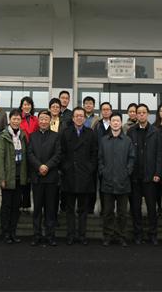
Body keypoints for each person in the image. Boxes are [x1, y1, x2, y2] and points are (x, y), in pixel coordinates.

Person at [60, 106, 98, 245]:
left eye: (81, 116)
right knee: (70, 209)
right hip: (69, 174)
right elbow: (61, 153)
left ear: (84, 118)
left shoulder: (90, 133)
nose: (79, 118)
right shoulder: (65, 133)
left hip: (84, 175)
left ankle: (82, 235)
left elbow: (94, 153)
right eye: (77, 116)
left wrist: (90, 168)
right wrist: (65, 167)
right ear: (73, 117)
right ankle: (70, 235)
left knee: (83, 209)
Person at [127, 103, 162, 245]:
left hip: (150, 176)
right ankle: (138, 234)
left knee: (151, 208)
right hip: (135, 176)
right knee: (135, 208)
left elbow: (159, 154)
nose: (141, 114)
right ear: (136, 115)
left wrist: (158, 172)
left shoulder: (156, 131)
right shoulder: (131, 131)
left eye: (144, 112)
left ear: (148, 114)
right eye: (139, 112)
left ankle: (152, 234)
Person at [99, 113, 135, 247]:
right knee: (108, 212)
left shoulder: (127, 140)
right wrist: (103, 171)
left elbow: (132, 158)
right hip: (107, 182)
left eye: (117, 121)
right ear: (110, 122)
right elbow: (100, 158)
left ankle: (121, 236)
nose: (115, 123)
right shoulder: (104, 140)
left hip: (123, 182)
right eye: (113, 120)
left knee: (122, 213)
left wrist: (127, 172)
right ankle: (107, 236)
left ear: (121, 123)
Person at [27, 110, 61, 246]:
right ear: (38, 120)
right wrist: (39, 166)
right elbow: (30, 154)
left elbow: (58, 154)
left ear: (50, 120)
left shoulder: (56, 136)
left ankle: (50, 236)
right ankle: (37, 235)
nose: (43, 121)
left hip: (51, 178)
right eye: (41, 119)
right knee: (37, 210)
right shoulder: (32, 136)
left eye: (46, 119)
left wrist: (47, 166)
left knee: (50, 209)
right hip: (37, 178)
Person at [0, 108, 28, 244]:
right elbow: (0, 158)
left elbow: (25, 157)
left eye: (18, 119)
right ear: (10, 120)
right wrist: (1, 177)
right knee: (6, 206)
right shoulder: (3, 136)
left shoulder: (22, 135)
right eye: (14, 119)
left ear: (21, 120)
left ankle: (13, 232)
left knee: (16, 206)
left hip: (19, 176)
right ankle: (5, 232)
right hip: (8, 177)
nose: (16, 121)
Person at [19, 96, 39, 214]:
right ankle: (20, 204)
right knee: (22, 178)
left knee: (30, 179)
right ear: (21, 106)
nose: (27, 106)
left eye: (29, 104)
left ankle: (27, 204)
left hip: (34, 151)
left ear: (31, 106)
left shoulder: (35, 119)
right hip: (21, 151)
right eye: (25, 104)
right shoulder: (17, 118)